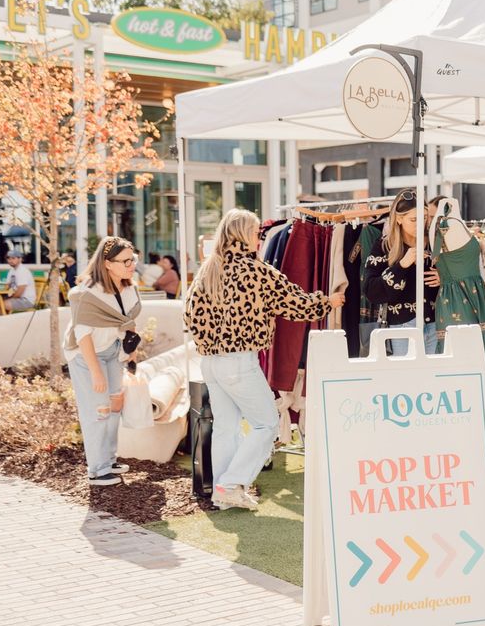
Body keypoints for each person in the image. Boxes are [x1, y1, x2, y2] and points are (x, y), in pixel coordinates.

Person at [184, 209, 344, 511]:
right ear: (245, 234)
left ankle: (223, 489)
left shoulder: (209, 269)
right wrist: (328, 301)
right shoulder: (255, 271)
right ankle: (230, 484)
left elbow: (189, 314)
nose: (260, 238)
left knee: (226, 427)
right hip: (240, 362)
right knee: (266, 425)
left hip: (211, 361)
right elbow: (295, 303)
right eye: (256, 232)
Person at [63, 236, 142, 486]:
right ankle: (97, 470)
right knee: (98, 411)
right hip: (87, 355)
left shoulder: (129, 288)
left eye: (133, 259)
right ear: (107, 263)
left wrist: (132, 352)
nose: (131, 264)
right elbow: (82, 334)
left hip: (113, 351)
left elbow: (127, 322)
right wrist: (95, 372)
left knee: (114, 409)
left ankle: (108, 460)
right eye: (125, 261)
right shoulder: (87, 294)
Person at [364, 190, 442, 356]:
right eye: (413, 219)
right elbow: (371, 291)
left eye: (424, 218)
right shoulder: (385, 247)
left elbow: (459, 277)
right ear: (399, 219)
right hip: (402, 327)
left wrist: (444, 278)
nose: (420, 224)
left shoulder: (436, 243)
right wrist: (402, 265)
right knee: (407, 380)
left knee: (433, 380)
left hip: (436, 323)